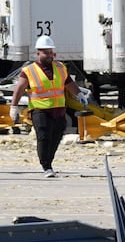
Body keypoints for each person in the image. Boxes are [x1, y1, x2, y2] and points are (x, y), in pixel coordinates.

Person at [9, 34, 80, 177]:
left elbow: (68, 83)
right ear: (38, 53)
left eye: (51, 52)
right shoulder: (29, 71)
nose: (49, 55)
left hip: (59, 110)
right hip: (40, 110)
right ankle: (46, 166)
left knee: (56, 137)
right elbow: (20, 89)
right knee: (44, 137)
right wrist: (14, 106)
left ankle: (49, 162)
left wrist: (79, 94)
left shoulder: (60, 67)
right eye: (46, 53)